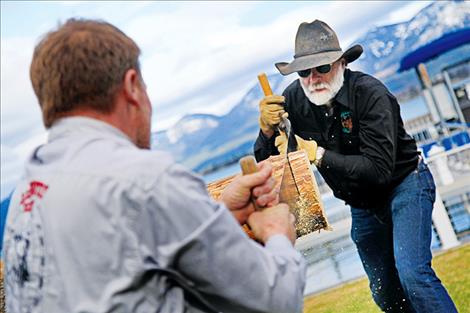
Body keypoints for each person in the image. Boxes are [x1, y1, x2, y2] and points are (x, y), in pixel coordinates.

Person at [2, 18, 306, 313]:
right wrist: (277, 233)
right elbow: (275, 299)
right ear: (132, 86)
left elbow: (113, 264)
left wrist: (220, 214)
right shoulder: (146, 179)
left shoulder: (29, 191)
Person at [254, 20, 457, 313]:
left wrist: (318, 154)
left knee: (413, 275)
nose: (314, 78)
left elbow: (379, 170)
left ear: (342, 63)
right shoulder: (293, 100)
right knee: (384, 291)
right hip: (361, 204)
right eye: (304, 72)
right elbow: (269, 168)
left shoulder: (371, 94)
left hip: (405, 185)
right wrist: (266, 132)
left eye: (322, 67)